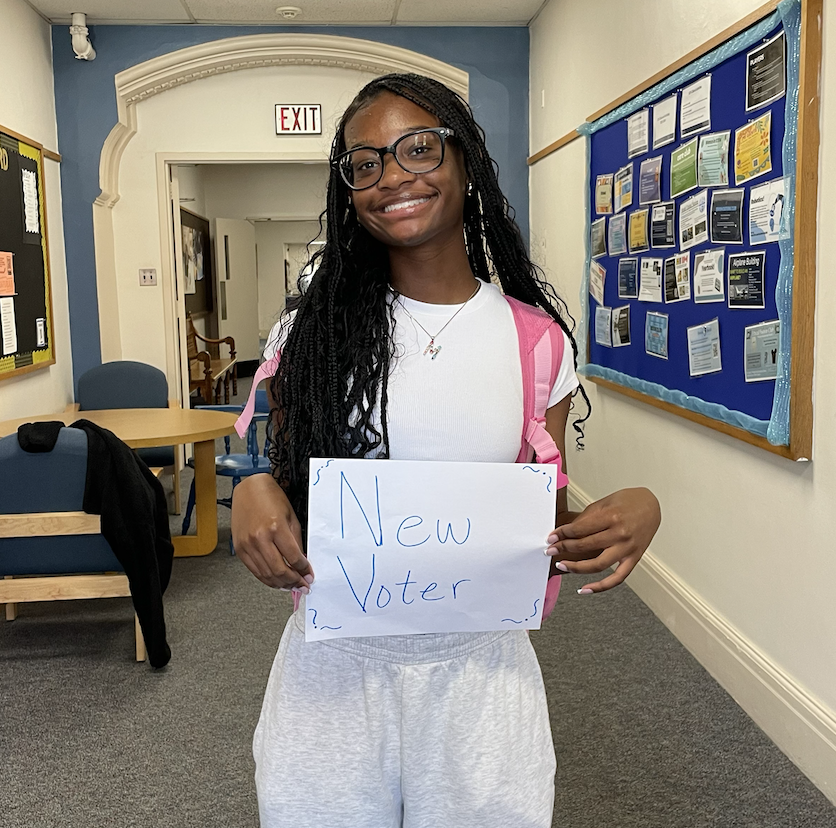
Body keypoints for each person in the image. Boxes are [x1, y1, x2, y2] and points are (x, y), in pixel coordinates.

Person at [231, 73, 661, 828]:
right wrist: (252, 488)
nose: (392, 175)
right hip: (332, 673)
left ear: (465, 163)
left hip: (481, 676)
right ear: (348, 190)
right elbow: (288, 486)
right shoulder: (310, 336)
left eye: (417, 149)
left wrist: (634, 512)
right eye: (364, 164)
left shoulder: (534, 343)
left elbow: (539, 529)